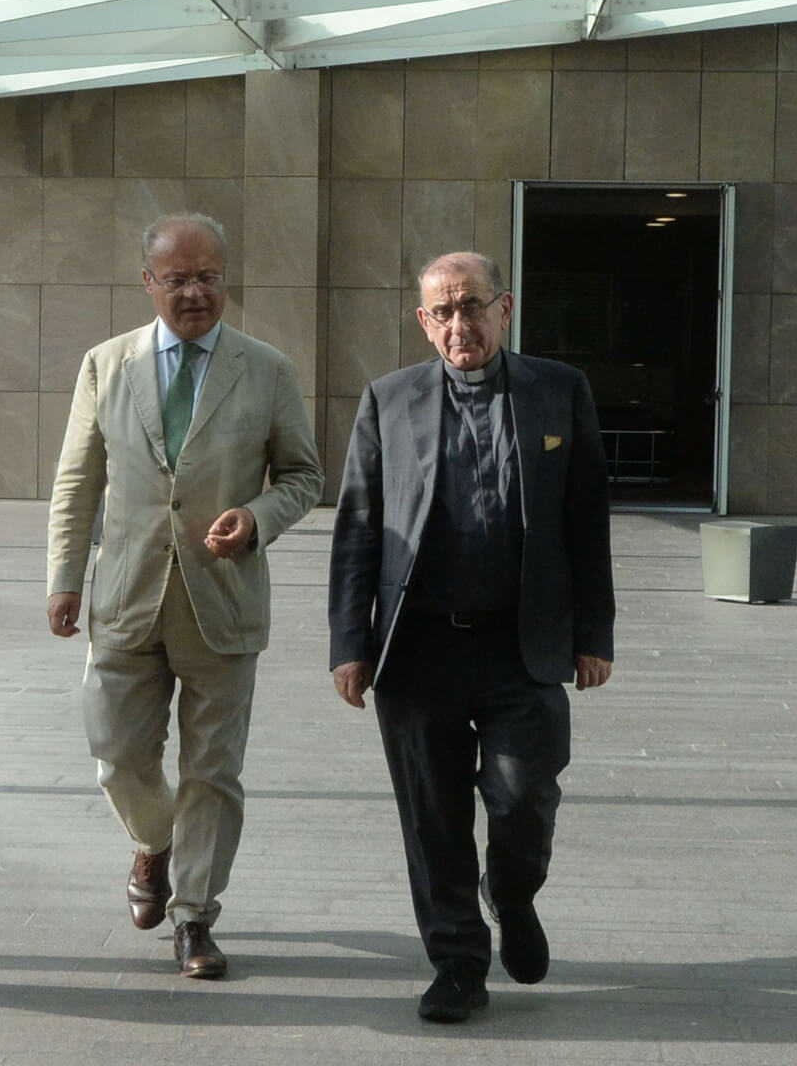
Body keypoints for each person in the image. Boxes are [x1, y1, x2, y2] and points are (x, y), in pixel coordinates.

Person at [327, 251, 614, 1022]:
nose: (460, 325)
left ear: (503, 308)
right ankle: (457, 960)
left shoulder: (558, 390)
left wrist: (594, 631)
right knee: (433, 815)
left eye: (472, 307)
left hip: (522, 644)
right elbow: (358, 527)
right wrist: (349, 643)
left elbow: (585, 519)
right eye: (443, 312)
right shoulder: (388, 399)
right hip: (419, 647)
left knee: (523, 798)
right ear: (424, 322)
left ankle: (510, 893)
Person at [46, 212, 322, 979]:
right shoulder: (105, 365)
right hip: (124, 598)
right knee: (116, 754)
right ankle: (154, 842)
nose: (194, 292)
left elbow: (303, 475)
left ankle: (194, 916)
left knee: (213, 770)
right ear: (148, 283)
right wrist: (64, 578)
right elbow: (77, 481)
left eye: (208, 277)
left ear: (225, 280)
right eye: (177, 279)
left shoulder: (265, 369)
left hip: (222, 601)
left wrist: (257, 518)